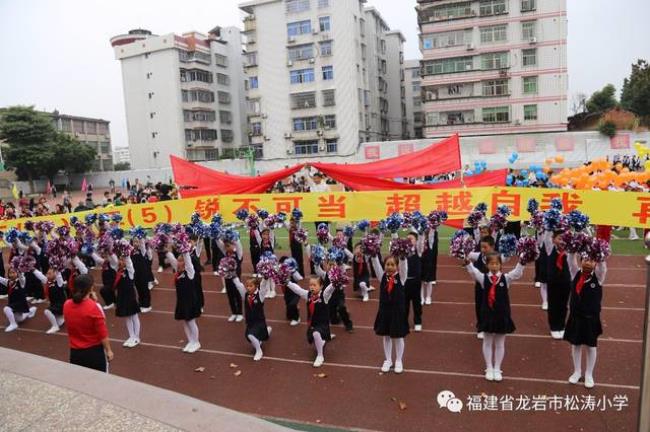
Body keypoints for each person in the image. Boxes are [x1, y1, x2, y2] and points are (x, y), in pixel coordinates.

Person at [465, 252, 525, 382]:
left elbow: (517, 273)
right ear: (487, 265)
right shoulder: (483, 278)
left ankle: (497, 368)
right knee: (487, 342)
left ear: (500, 265)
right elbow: (474, 273)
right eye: (491, 263)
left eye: (497, 263)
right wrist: (468, 263)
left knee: (500, 343)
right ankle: (489, 367)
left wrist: (522, 262)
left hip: (501, 315)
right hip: (487, 314)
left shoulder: (505, 278)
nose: (494, 266)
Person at [564, 253, 607, 389]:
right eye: (585, 260)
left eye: (592, 260)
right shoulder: (575, 273)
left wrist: (599, 253)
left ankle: (589, 374)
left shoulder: (598, 277)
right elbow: (570, 259)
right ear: (581, 260)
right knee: (575, 345)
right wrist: (572, 249)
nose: (588, 263)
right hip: (576, 317)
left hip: (590, 319)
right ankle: (577, 371)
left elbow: (603, 267)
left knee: (591, 346)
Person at [63, 274, 113, 372]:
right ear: (91, 289)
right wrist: (109, 351)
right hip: (94, 353)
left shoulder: (66, 304)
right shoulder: (94, 307)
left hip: (75, 353)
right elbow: (103, 332)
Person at [371, 252, 409, 374]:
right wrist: (373, 255)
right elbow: (376, 264)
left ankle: (398, 360)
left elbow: (404, 266)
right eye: (387, 264)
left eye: (392, 264)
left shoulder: (401, 277)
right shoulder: (382, 277)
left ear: (397, 266)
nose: (390, 267)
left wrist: (403, 258)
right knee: (386, 336)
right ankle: (388, 360)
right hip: (384, 311)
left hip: (397, 312)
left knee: (398, 337)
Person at [287, 277, 336, 367]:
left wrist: (334, 283)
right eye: (310, 285)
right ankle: (322, 341)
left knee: (316, 334)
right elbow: (298, 290)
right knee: (315, 337)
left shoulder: (324, 296)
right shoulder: (308, 295)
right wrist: (287, 282)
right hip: (312, 324)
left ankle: (320, 356)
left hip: (322, 324)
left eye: (314, 285)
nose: (312, 287)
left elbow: (329, 290)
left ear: (321, 286)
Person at [166, 248, 202, 353]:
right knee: (185, 321)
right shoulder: (177, 272)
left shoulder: (190, 272)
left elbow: (188, 260)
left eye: (181, 261)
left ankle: (196, 342)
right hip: (182, 301)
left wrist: (184, 249)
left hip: (190, 301)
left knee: (191, 321)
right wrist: (164, 248)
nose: (179, 262)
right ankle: (190, 341)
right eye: (178, 261)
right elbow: (171, 258)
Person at [233, 276, 272, 360]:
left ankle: (259, 351)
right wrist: (233, 276)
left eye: (251, 286)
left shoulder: (260, 296)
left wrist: (265, 278)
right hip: (250, 322)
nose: (248, 288)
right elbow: (239, 286)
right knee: (250, 337)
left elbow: (263, 286)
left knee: (250, 335)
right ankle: (267, 331)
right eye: (247, 286)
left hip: (259, 322)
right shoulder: (245, 295)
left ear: (256, 286)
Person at [543, 231, 572, 339]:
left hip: (565, 281)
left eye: (564, 239)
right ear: (553, 239)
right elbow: (546, 238)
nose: (562, 241)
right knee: (553, 304)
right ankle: (554, 327)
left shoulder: (569, 251)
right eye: (559, 238)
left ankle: (561, 326)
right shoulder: (550, 249)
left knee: (563, 305)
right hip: (553, 282)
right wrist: (550, 224)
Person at [2, 267, 37, 332]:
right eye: (10, 273)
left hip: (20, 304)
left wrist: (20, 271)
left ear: (17, 273)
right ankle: (29, 311)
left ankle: (13, 324)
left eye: (14, 272)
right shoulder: (9, 282)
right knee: (19, 319)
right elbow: (1, 279)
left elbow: (22, 277)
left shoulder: (21, 282)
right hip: (13, 304)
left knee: (6, 309)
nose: (12, 274)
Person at [420, 226, 439, 306]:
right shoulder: (420, 238)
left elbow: (431, 234)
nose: (426, 230)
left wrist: (433, 227)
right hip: (420, 262)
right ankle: (421, 297)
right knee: (420, 281)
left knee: (429, 280)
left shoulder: (430, 241)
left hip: (428, 262)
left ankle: (428, 297)